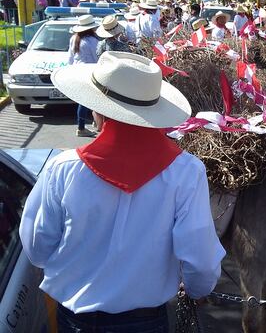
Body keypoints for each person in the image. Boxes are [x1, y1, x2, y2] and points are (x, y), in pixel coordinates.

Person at [20, 51, 225, 331]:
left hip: (75, 320)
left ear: (100, 109)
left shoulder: (63, 168)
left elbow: (37, 248)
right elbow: (201, 260)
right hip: (146, 322)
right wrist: (196, 290)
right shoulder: (186, 172)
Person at [67, 15, 100, 137]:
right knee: (89, 99)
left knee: (84, 99)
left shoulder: (74, 38)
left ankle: (86, 124)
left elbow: (70, 57)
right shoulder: (92, 41)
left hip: (78, 70)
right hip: (89, 71)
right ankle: (82, 127)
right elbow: (97, 58)